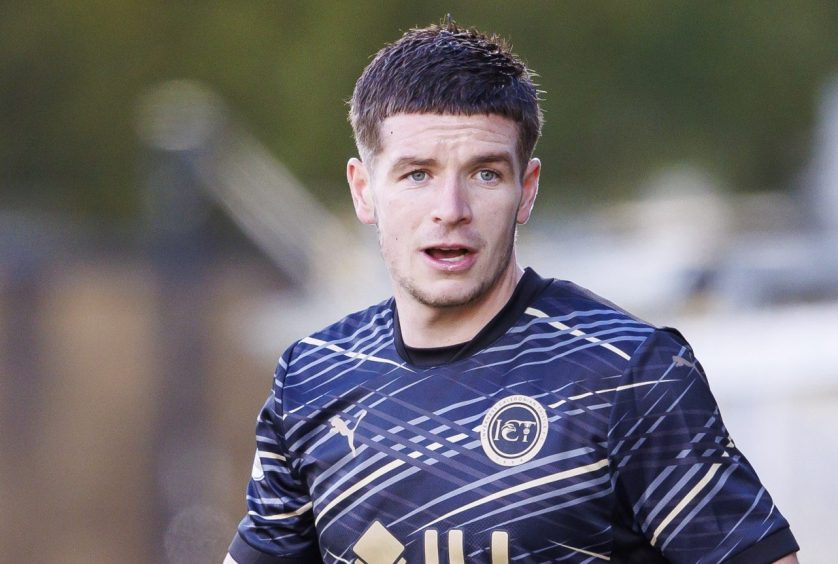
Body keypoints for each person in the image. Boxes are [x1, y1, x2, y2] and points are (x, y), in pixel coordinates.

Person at [225, 20, 799, 564]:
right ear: (364, 190)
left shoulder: (629, 373)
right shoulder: (312, 377)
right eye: (417, 174)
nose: (450, 211)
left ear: (526, 191)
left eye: (485, 174)